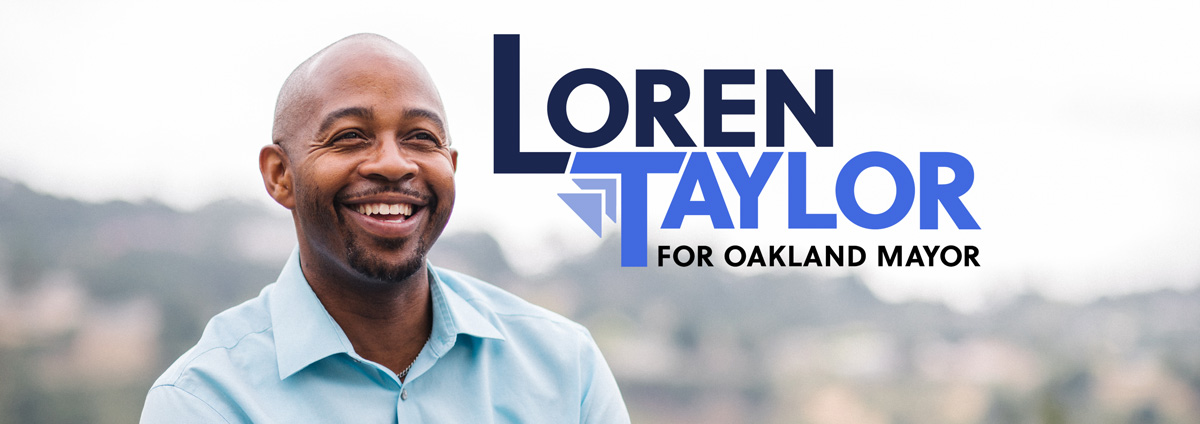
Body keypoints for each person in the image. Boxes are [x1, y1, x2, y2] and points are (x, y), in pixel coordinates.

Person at [140, 33, 630, 423]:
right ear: (280, 175)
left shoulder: (566, 368)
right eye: (350, 137)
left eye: (421, 138)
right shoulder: (205, 402)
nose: (395, 164)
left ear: (451, 165)